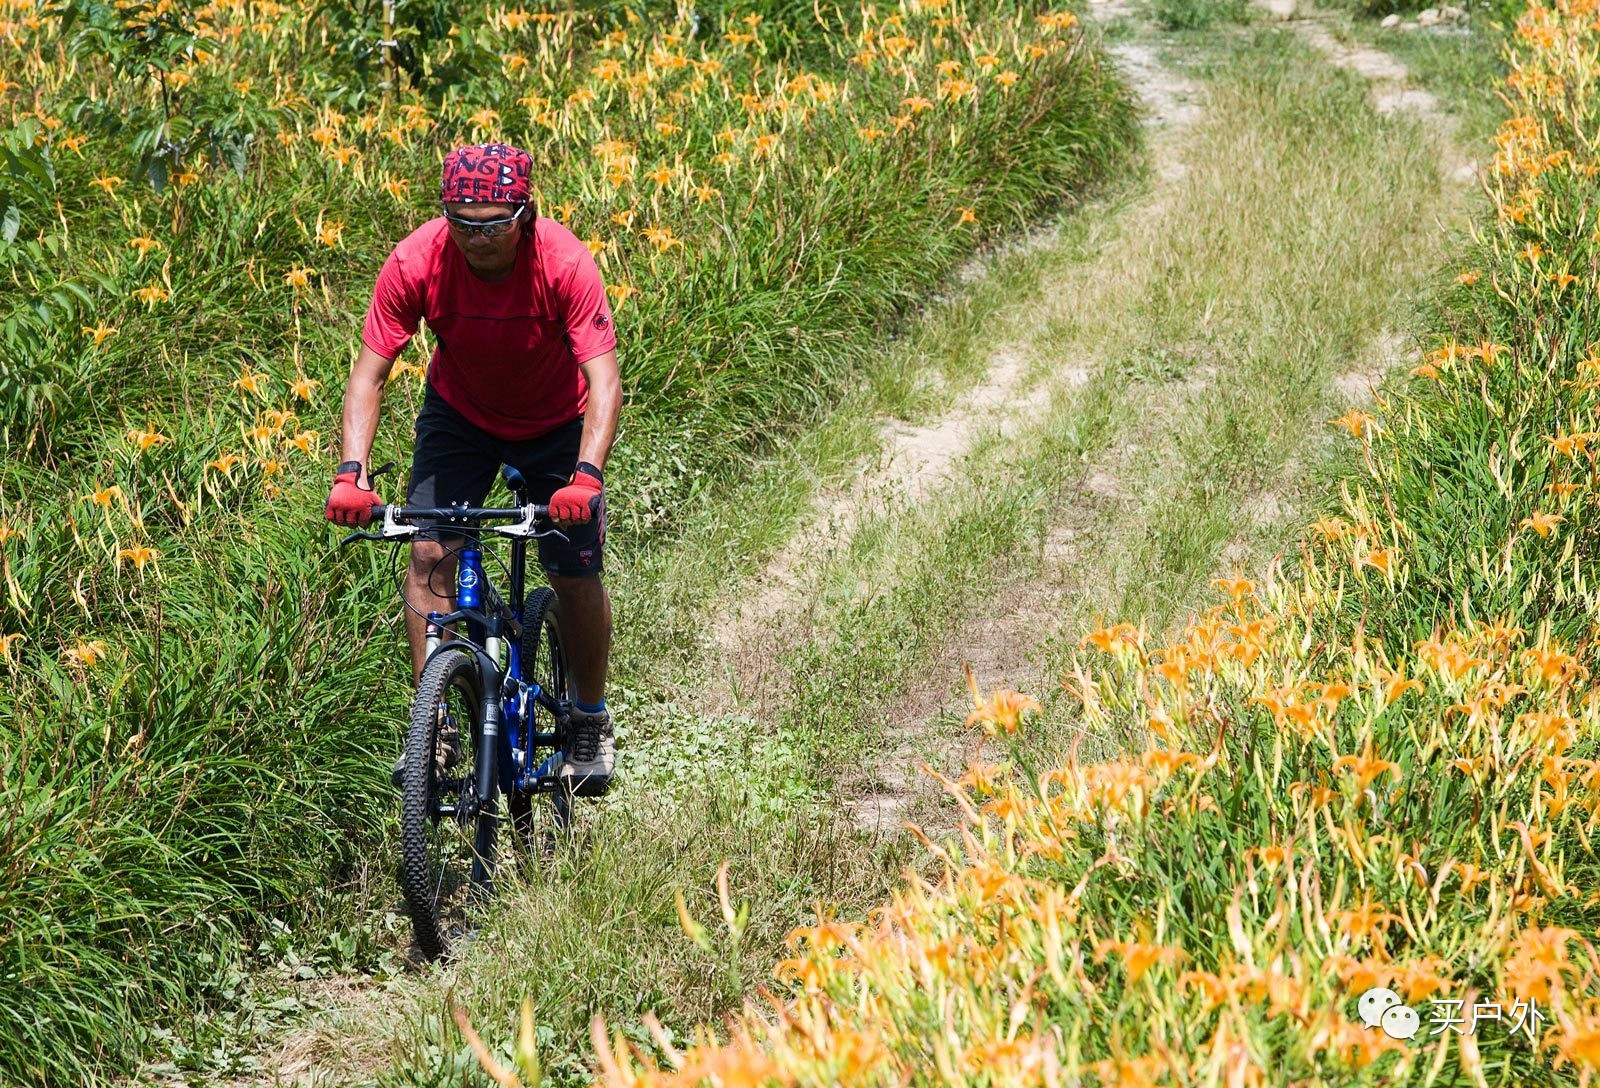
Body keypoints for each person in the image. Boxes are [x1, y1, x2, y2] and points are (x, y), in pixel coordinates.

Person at [324, 141, 619, 795]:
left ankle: (589, 720)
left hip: (554, 423)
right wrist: (352, 472)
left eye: (492, 224)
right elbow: (369, 375)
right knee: (428, 552)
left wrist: (586, 478)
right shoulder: (416, 259)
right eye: (462, 222)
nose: (476, 239)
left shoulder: (565, 263)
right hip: (460, 416)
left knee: (572, 570)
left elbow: (603, 382)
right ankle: (436, 729)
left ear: (526, 213)